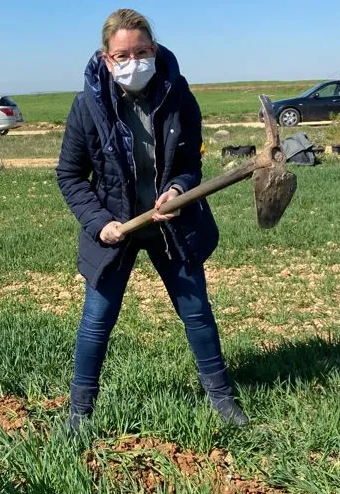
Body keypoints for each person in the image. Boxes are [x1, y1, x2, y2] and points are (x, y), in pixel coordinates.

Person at [56, 8, 248, 433]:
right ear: (106, 59)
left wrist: (178, 189)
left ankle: (222, 398)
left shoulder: (178, 95)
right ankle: (79, 413)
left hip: (171, 225)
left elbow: (190, 163)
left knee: (196, 311)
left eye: (142, 52)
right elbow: (69, 175)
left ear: (155, 51)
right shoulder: (87, 106)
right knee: (97, 319)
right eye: (122, 55)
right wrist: (99, 223)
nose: (134, 61)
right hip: (115, 229)